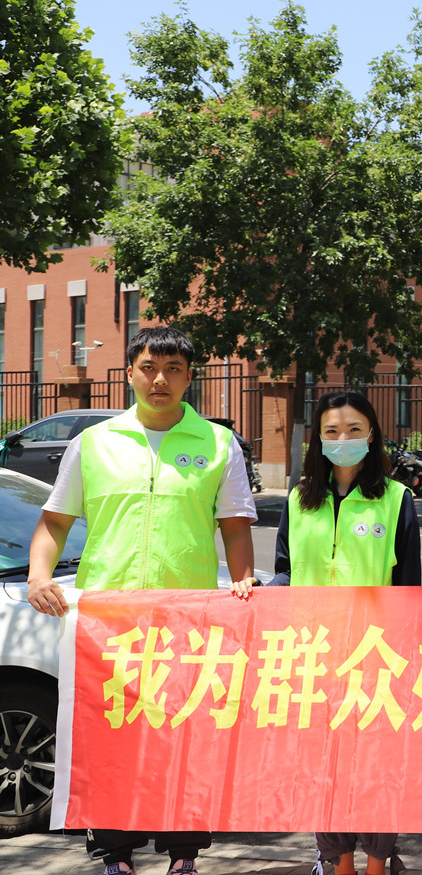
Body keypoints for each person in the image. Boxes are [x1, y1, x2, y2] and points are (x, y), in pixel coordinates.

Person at [26, 326, 256, 875]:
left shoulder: (218, 444)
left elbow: (236, 527)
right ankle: (116, 854)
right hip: (108, 622)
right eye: (149, 367)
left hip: (189, 619)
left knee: (185, 735)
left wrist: (243, 582)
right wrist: (38, 576)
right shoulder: (94, 443)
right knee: (112, 739)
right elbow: (55, 521)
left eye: (173, 369)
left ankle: (183, 855)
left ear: (189, 377)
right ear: (130, 372)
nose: (160, 380)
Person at [268, 390, 420, 875]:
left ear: (371, 435)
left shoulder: (396, 499)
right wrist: (257, 594)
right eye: (332, 431)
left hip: (375, 660)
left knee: (376, 766)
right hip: (313, 656)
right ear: (318, 439)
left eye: (354, 429)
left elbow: (409, 588)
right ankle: (337, 861)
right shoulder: (299, 500)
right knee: (323, 765)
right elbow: (285, 570)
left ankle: (377, 861)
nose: (343, 439)